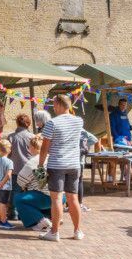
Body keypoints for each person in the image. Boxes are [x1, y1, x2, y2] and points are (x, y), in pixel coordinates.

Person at [37, 95, 84, 242]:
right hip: (74, 164)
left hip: (57, 164)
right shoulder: (79, 121)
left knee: (56, 198)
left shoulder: (52, 123)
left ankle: (54, 232)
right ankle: (77, 231)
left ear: (57, 105)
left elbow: (45, 148)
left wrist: (40, 165)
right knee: (73, 198)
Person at [12, 136, 54, 232]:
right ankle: (51, 217)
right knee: (39, 192)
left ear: (33, 148)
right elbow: (43, 181)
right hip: (60, 196)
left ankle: (41, 220)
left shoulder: (34, 162)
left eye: (29, 146)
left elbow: (21, 181)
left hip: (47, 197)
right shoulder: (51, 157)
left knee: (19, 199)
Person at [0, 141, 15, 230]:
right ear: (9, 150)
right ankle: (4, 221)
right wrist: (2, 183)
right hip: (5, 186)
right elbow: (8, 175)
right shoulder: (9, 162)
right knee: (3, 203)